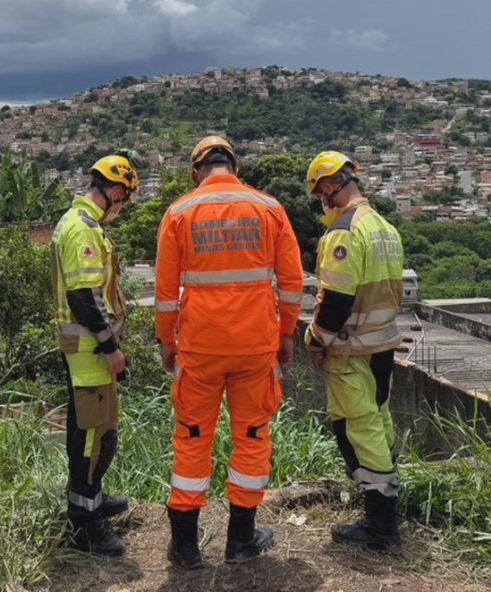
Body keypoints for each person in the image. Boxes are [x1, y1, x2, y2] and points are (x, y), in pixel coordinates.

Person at [155, 136, 304, 568]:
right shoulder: (270, 208)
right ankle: (241, 541)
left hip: (200, 347)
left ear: (197, 170)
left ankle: (184, 547)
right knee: (253, 435)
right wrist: (287, 334)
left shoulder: (179, 211)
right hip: (256, 346)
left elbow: (166, 293)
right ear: (233, 166)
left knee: (192, 437)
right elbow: (292, 282)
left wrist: (168, 340)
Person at [303, 150, 404, 551]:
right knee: (378, 422)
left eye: (319, 195)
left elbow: (336, 300)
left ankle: (381, 527)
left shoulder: (343, 232)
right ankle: (388, 507)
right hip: (382, 345)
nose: (321, 204)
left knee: (357, 429)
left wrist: (315, 341)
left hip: (352, 348)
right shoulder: (384, 227)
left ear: (328, 188)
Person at [51, 150, 142, 556]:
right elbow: (84, 296)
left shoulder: (78, 222)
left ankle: (91, 499)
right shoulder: (83, 228)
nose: (122, 207)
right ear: (116, 190)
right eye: (124, 198)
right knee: (93, 439)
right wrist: (109, 347)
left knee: (91, 432)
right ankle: (85, 525)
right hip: (90, 350)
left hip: (87, 349)